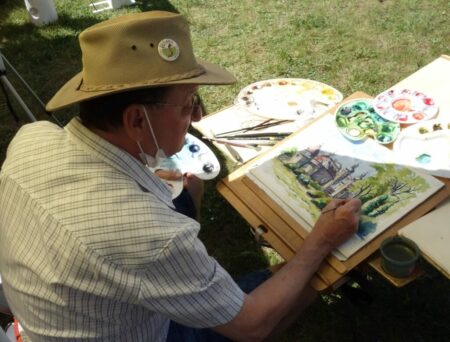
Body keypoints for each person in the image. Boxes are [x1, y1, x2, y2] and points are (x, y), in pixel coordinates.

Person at [0, 10, 361, 342]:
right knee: (291, 287)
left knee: (192, 187)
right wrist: (320, 242)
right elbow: (250, 325)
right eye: (188, 104)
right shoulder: (153, 239)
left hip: (55, 318)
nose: (198, 117)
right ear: (137, 120)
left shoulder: (32, 138)